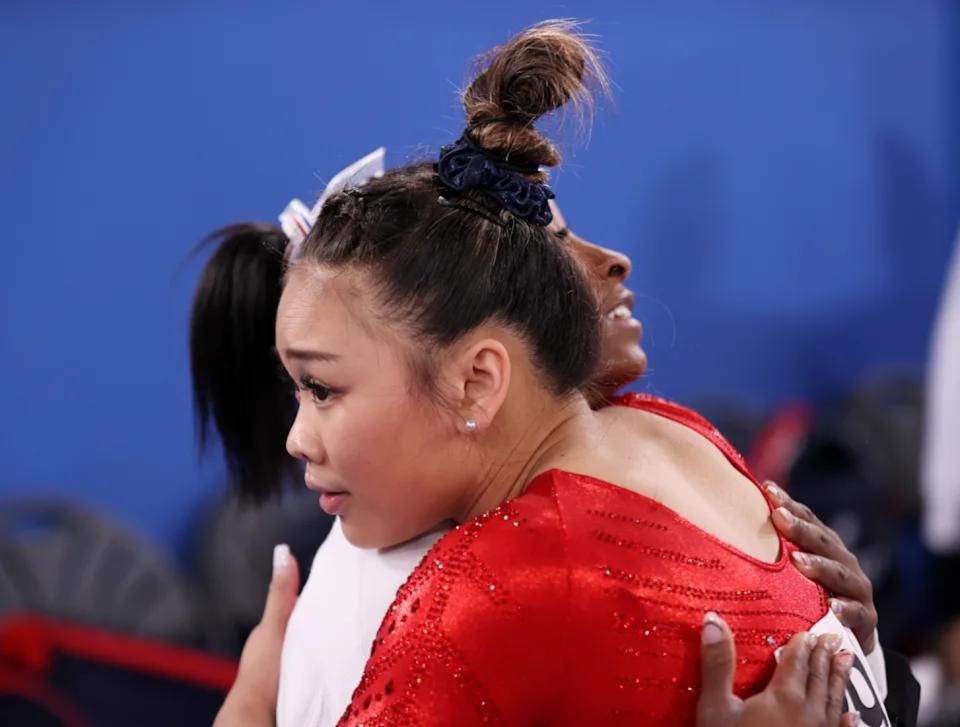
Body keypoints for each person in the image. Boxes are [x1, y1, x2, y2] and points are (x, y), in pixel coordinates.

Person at [193, 20, 901, 725]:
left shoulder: (494, 590)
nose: (295, 438)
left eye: (322, 388)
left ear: (477, 380)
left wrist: (253, 700)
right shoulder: (679, 429)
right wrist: (868, 667)